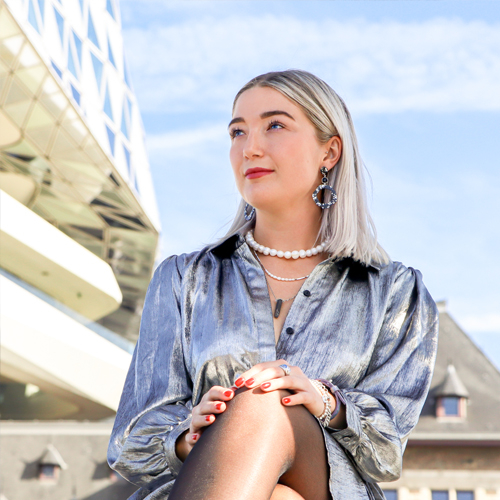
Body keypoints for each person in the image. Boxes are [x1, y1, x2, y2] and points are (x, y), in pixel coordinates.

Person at [107, 70, 439, 500]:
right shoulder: (183, 280)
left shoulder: (396, 293)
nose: (250, 148)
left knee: (266, 398)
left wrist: (325, 402)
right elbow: (129, 444)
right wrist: (188, 435)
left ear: (330, 151)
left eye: (275, 126)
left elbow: (386, 453)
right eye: (237, 132)